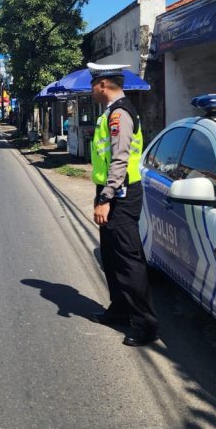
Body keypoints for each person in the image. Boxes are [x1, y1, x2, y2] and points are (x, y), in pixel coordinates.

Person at [87, 62, 158, 347]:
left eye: (93, 84)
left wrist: (106, 198)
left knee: (128, 260)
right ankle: (119, 309)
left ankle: (145, 325)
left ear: (103, 84)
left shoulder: (119, 114)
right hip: (112, 191)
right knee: (112, 255)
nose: (91, 90)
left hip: (121, 194)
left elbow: (119, 159)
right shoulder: (110, 113)